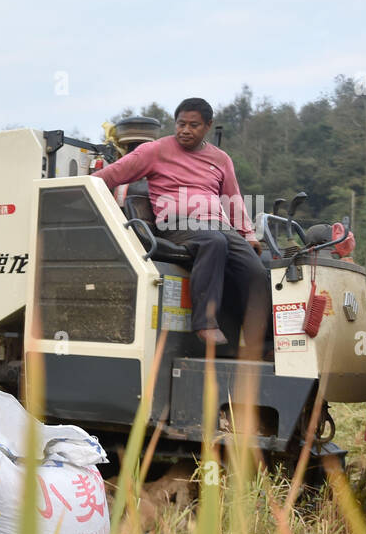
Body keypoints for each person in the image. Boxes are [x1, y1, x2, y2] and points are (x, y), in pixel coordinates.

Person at [91, 98, 269, 354]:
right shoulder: (155, 150)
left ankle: (260, 344)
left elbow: (233, 198)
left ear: (208, 125)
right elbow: (111, 175)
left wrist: (248, 233)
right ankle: (204, 323)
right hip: (177, 225)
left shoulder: (220, 159)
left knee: (255, 271)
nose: (185, 130)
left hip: (219, 225)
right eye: (181, 124)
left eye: (193, 125)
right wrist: (77, 188)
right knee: (213, 242)